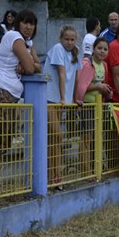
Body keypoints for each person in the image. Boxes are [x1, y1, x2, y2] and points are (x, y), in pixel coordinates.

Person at [0, 9, 40, 169]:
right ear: (18, 23)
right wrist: (28, 65)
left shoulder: (28, 43)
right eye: (25, 23)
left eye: (32, 24)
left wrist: (29, 64)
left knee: (4, 142)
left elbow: (38, 66)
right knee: (0, 141)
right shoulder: (14, 36)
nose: (29, 27)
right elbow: (31, 68)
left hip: (7, 94)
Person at [43, 25, 81, 184]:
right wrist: (63, 98)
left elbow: (76, 78)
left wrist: (75, 97)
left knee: (55, 139)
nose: (69, 42)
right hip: (51, 98)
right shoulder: (58, 48)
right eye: (67, 39)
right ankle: (50, 174)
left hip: (61, 101)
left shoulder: (75, 52)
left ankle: (55, 175)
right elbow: (61, 73)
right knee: (57, 135)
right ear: (61, 39)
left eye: (72, 39)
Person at [75, 36, 113, 175]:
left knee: (95, 137)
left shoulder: (104, 66)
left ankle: (93, 168)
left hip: (99, 106)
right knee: (86, 138)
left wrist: (106, 91)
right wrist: (98, 86)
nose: (102, 51)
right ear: (93, 49)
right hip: (86, 105)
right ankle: (85, 171)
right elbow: (81, 85)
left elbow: (102, 85)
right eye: (99, 48)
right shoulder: (86, 63)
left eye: (105, 49)